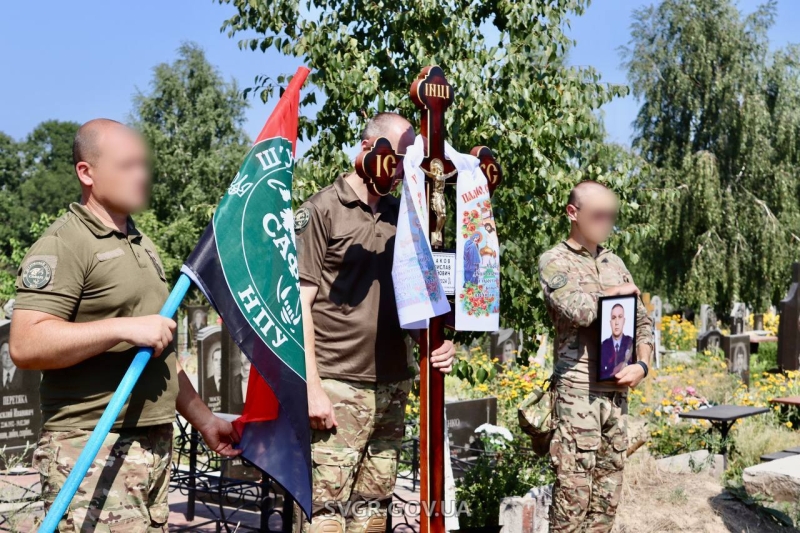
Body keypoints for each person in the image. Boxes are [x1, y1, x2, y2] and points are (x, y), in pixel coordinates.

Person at [9, 119, 240, 531]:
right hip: (90, 446)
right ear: (87, 173)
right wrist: (122, 328)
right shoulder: (64, 244)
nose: (142, 175)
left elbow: (159, 355)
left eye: (143, 165)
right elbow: (26, 344)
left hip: (151, 446)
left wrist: (205, 421)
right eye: (127, 166)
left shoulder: (142, 244)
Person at [296, 112, 457, 533]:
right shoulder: (320, 210)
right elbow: (299, 303)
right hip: (336, 384)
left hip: (390, 384)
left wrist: (437, 341)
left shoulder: (402, 213)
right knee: (325, 514)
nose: (404, 168)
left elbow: (420, 292)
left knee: (373, 513)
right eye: (400, 156)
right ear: (369, 148)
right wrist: (312, 388)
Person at [539, 180, 653, 532]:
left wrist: (642, 365)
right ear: (573, 213)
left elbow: (643, 321)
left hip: (616, 396)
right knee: (572, 504)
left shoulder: (615, 262)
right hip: (577, 395)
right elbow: (581, 310)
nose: (606, 223)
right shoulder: (554, 261)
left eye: (611, 216)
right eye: (598, 215)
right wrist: (616, 292)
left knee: (606, 503)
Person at [600, 303, 633, 378]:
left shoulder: (631, 343)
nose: (617, 322)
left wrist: (626, 365)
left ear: (624, 321)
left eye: (620, 317)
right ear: (610, 322)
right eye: (614, 318)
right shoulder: (602, 347)